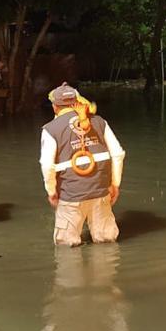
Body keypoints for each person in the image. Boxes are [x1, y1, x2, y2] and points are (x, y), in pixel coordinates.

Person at [39, 83, 125, 246]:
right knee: (107, 244)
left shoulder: (50, 129)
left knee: (67, 248)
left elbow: (47, 165)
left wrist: (51, 192)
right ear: (77, 102)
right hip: (101, 192)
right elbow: (118, 154)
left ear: (55, 107)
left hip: (70, 195)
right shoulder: (100, 122)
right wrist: (115, 184)